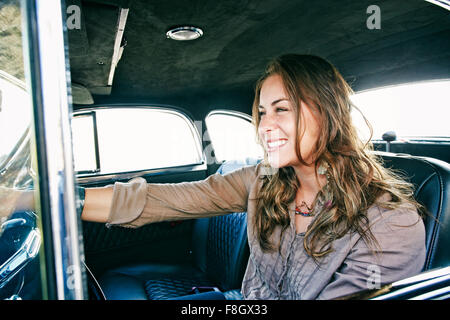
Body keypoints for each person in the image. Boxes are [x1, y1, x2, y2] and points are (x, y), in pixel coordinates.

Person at [3, 54, 426, 300]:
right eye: (261, 113)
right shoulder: (263, 182)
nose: (264, 125)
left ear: (329, 111)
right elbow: (158, 200)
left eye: (282, 109)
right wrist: (24, 200)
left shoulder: (391, 224)